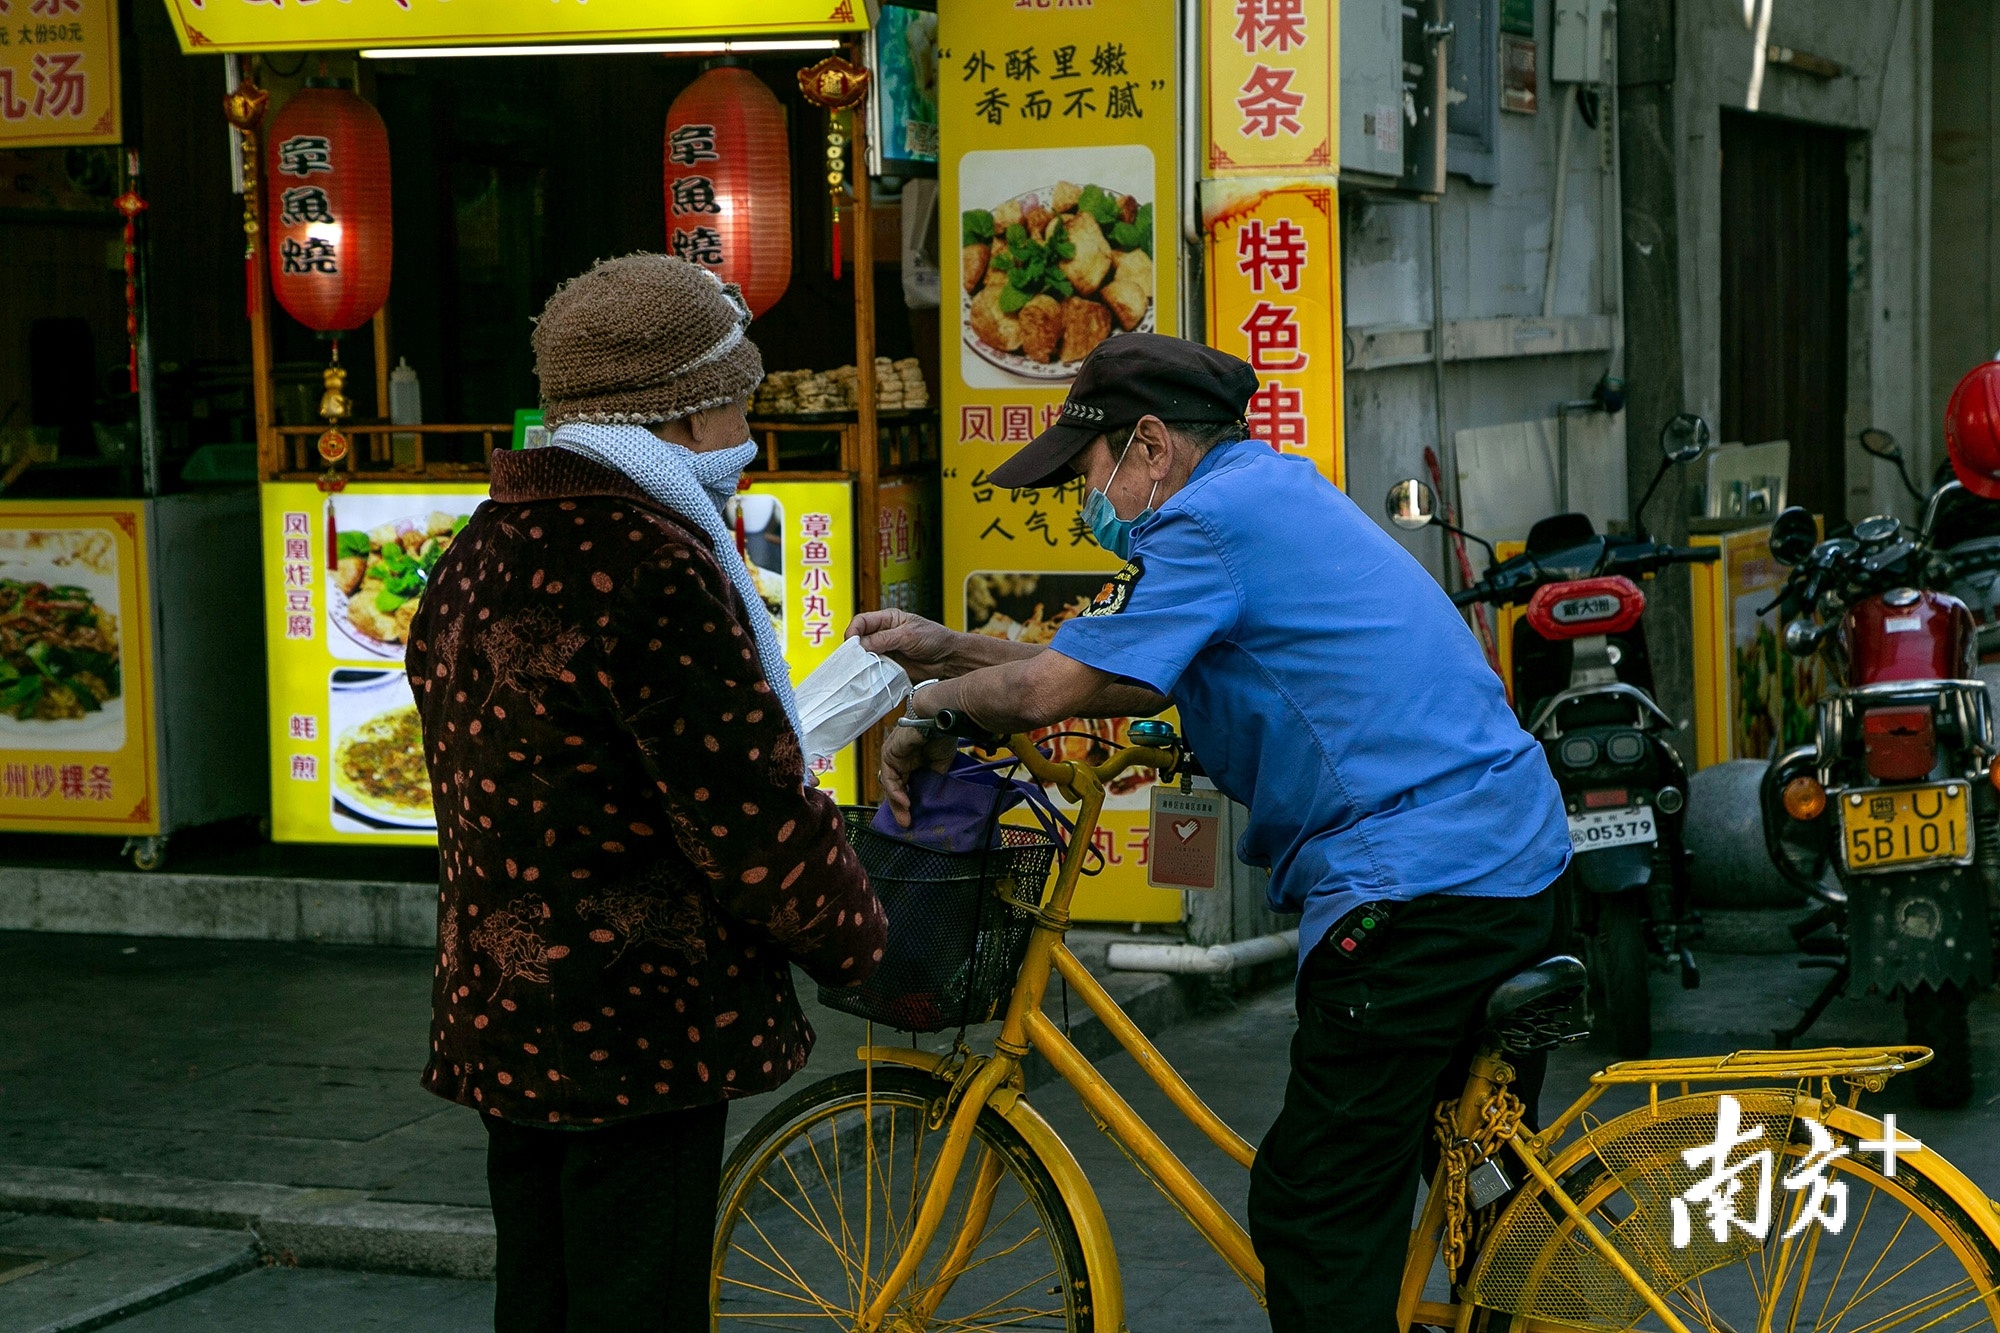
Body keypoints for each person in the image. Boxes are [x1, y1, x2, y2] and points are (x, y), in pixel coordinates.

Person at [854, 333, 1571, 1333]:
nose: (1080, 499)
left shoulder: (1204, 522)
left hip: (1416, 885)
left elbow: (1047, 687)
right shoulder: (1263, 494)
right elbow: (1113, 668)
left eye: (1083, 472)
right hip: (1504, 852)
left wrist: (931, 707)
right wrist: (946, 647)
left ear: (1147, 445)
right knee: (1479, 1183)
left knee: (1312, 1208)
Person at [406, 253, 885, 1333]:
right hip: (637, 1013)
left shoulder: (480, 547)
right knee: (637, 1299)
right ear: (686, 407)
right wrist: (860, 940)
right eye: (740, 402)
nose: (745, 429)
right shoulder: (649, 558)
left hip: (507, 997)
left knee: (541, 1290)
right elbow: (743, 811)